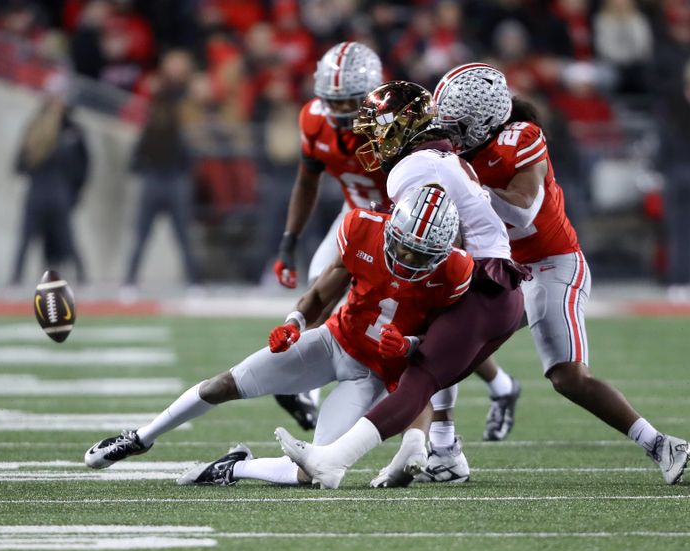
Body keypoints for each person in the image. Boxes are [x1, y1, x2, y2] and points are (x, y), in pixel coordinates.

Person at [85, 186, 474, 489]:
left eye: (420, 255)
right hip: (334, 341)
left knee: (320, 472)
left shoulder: (456, 272)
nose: (407, 258)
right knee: (226, 384)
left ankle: (235, 468)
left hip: (371, 377)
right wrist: (294, 324)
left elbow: (444, 349)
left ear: (443, 253)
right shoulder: (363, 228)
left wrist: (408, 346)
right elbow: (323, 294)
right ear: (392, 227)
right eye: (404, 246)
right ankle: (141, 436)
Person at [423, 63, 690, 485]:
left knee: (567, 378)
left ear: (486, 120)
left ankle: (661, 443)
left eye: (459, 125)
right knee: (435, 342)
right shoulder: (457, 151)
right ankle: (444, 453)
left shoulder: (522, 136)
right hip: (501, 267)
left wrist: (466, 184)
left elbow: (524, 210)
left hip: (551, 264)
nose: (452, 134)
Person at [276, 80, 528, 489]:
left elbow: (435, 239)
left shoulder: (413, 167)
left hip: (479, 284)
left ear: (402, 126)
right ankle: (442, 454)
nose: (373, 138)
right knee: (428, 368)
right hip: (491, 284)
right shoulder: (439, 155)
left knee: (419, 378)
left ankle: (332, 460)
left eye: (379, 127)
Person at [269, 41, 386, 430]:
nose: (337, 111)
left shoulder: (393, 123)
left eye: (347, 101)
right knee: (320, 289)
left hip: (403, 222)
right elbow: (306, 182)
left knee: (424, 319)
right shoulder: (314, 119)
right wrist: (289, 240)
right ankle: (307, 391)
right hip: (355, 216)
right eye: (331, 101)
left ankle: (497, 386)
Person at [121, 50, 202, 296]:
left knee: (183, 235)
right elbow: (145, 130)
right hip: (154, 174)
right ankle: (130, 281)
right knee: (141, 234)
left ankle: (195, 282)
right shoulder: (156, 97)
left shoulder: (187, 97)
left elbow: (190, 122)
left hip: (176, 175)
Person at [10, 73, 89, 285]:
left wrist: (75, 192)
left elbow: (83, 166)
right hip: (39, 188)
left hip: (60, 191)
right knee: (27, 237)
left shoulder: (72, 129)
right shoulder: (36, 125)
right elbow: (19, 163)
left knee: (66, 238)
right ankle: (15, 279)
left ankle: (82, 278)